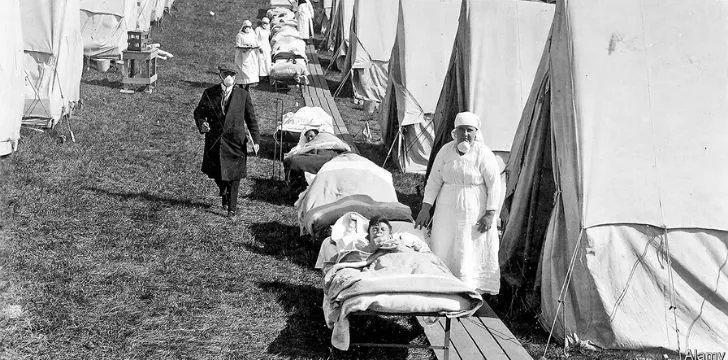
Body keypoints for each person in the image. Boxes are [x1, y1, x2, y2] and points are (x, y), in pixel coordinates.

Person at [414, 112, 502, 294]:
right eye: (461, 130)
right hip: (446, 211)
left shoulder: (483, 153)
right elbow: (434, 180)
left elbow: (495, 184)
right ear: (455, 132)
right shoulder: (446, 150)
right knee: (444, 244)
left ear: (475, 132)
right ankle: (442, 286)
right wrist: (425, 208)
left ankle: (468, 290)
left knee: (468, 248)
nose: (465, 134)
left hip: (473, 213)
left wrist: (490, 214)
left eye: (469, 130)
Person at [193, 63, 260, 219]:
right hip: (215, 141)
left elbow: (251, 120)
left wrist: (255, 140)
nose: (228, 77)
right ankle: (224, 190)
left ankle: (232, 208)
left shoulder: (243, 95)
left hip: (236, 141)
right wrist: (202, 123)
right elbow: (199, 112)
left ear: (235, 76)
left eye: (231, 74)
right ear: (220, 76)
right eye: (225, 74)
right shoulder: (210, 93)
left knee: (234, 176)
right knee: (217, 172)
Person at [234, 20, 260, 90]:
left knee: (249, 70)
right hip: (242, 56)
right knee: (242, 70)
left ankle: (247, 87)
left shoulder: (252, 35)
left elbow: (256, 44)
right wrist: (244, 47)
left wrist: (252, 47)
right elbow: (237, 45)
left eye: (248, 27)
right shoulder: (239, 35)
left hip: (250, 56)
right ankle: (241, 85)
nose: (247, 29)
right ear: (243, 27)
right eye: (246, 27)